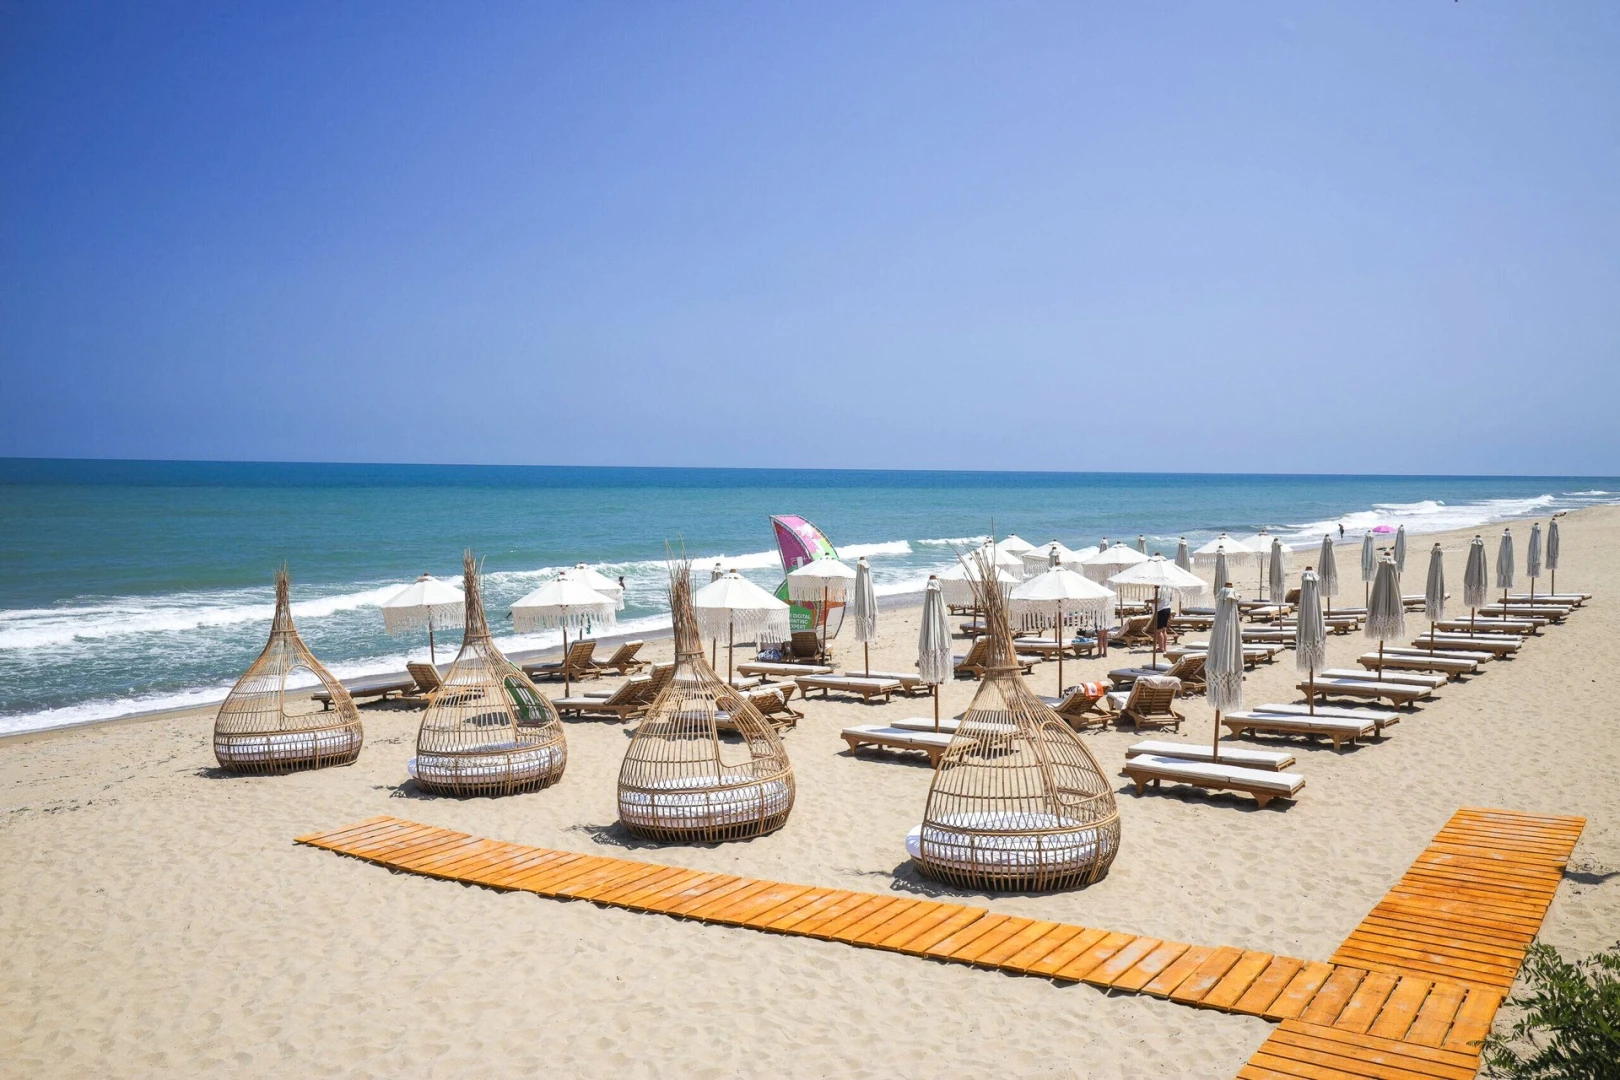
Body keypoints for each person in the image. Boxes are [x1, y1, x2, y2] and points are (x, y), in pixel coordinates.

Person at [1153, 587, 1172, 652]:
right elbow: (1170, 599)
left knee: (1159, 630)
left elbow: (1156, 600)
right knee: (1164, 629)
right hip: (1168, 608)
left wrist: (1148, 601)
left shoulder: (1159, 589)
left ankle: (1161, 648)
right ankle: (1164, 647)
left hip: (1161, 610)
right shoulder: (1169, 589)